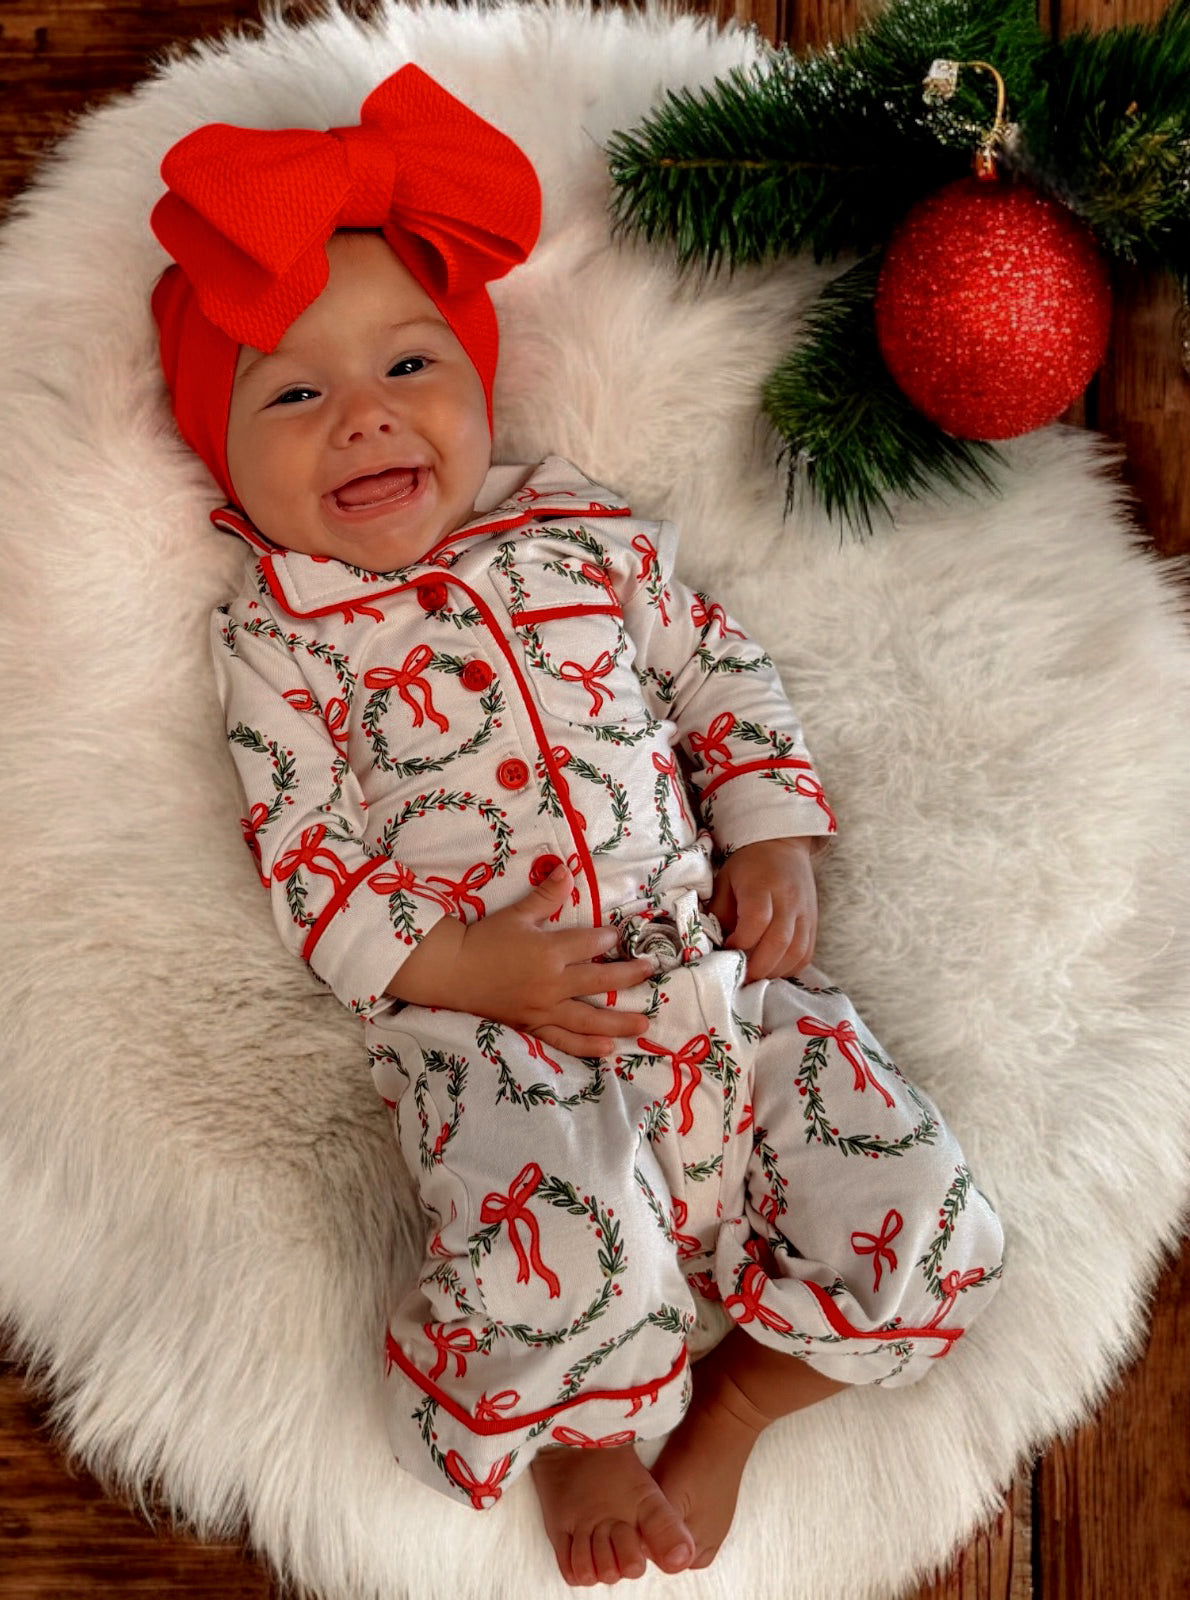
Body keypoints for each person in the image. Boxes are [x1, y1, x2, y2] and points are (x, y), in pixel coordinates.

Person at [150, 66, 1004, 1588]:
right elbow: (306, 858)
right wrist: (466, 971)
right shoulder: (283, 637)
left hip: (720, 987)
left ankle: (738, 1399)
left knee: (923, 1208)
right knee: (553, 1269)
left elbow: (710, 660)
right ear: (227, 461)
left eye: (408, 365)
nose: (364, 419)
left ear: (478, 382)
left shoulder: (581, 532)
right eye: (291, 394)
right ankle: (588, 1435)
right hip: (509, 1039)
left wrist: (766, 831)